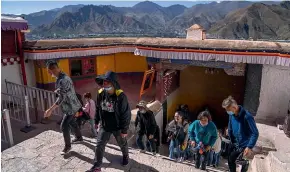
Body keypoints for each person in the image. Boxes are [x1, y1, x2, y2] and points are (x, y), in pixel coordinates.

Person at [87, 71, 131, 172]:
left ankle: (125, 156)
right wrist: (97, 121)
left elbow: (126, 114)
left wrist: (124, 130)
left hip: (118, 126)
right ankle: (97, 166)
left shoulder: (121, 96)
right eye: (103, 82)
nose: (104, 84)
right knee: (99, 145)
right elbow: (98, 108)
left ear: (113, 83)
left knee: (122, 143)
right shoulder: (101, 93)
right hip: (105, 125)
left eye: (107, 82)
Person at [44, 61, 83, 155]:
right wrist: (58, 91)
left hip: (71, 107)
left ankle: (68, 147)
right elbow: (63, 91)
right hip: (69, 106)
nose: (49, 73)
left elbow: (61, 97)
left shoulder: (63, 80)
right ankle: (79, 137)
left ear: (51, 70)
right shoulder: (61, 77)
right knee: (72, 122)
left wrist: (50, 110)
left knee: (64, 126)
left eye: (49, 71)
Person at [222, 96, 259, 172]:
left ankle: (245, 164)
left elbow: (255, 133)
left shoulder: (247, 116)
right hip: (234, 141)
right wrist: (229, 132)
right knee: (229, 158)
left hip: (243, 144)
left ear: (234, 107)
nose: (227, 111)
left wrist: (249, 146)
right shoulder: (231, 115)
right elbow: (230, 125)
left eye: (228, 110)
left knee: (235, 159)